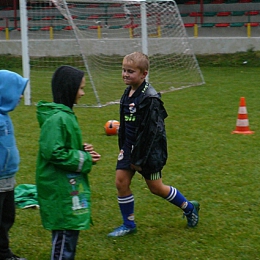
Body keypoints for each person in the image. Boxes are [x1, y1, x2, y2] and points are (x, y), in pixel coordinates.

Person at [107, 52, 200, 237]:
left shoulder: (150, 98)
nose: (125, 74)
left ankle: (189, 207)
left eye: (130, 71)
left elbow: (151, 133)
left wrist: (139, 158)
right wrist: (124, 147)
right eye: (124, 70)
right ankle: (128, 225)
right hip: (129, 148)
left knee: (156, 188)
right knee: (121, 182)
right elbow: (126, 124)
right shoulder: (128, 92)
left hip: (148, 153)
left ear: (144, 74)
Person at [36, 65, 101, 260]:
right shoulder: (58, 119)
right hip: (59, 189)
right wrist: (84, 159)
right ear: (68, 89)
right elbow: (54, 153)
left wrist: (81, 149)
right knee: (64, 237)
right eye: (80, 88)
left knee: (69, 234)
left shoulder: (65, 115)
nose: (83, 93)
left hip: (67, 188)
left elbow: (63, 146)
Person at [0, 70, 28, 260]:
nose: (21, 96)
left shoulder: (5, 116)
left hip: (8, 177)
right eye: (17, 91)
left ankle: (3, 252)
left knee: (7, 217)